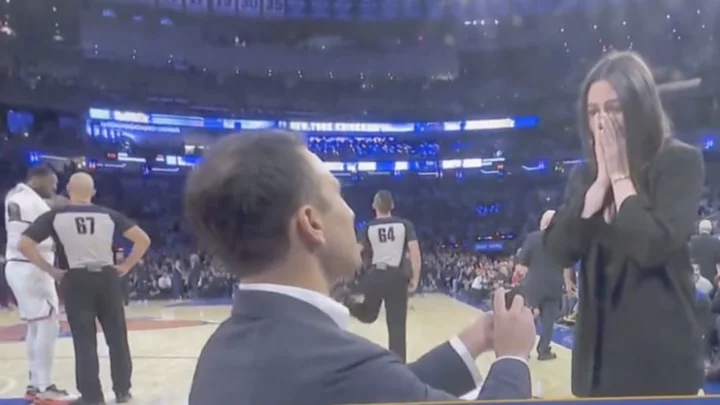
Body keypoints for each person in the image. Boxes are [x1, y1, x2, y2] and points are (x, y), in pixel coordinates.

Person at [186, 131, 536, 405]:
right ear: (312, 223)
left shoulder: (221, 349)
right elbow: (367, 380)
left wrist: (471, 342)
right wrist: (513, 358)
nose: (353, 213)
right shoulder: (339, 365)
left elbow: (386, 390)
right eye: (339, 195)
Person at [543, 51, 706, 397]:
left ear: (640, 108)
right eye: (593, 112)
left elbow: (653, 247)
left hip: (660, 366)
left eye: (613, 108)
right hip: (597, 368)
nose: (602, 121)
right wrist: (599, 185)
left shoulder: (679, 162)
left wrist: (619, 178)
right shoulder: (584, 175)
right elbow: (559, 249)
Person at [18, 172, 151, 405]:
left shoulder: (55, 216)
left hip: (76, 279)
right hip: (107, 278)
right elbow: (143, 240)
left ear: (68, 190)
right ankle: (122, 391)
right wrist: (127, 265)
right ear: (94, 192)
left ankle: (92, 396)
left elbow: (24, 244)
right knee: (117, 337)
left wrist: (50, 270)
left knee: (85, 340)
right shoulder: (109, 215)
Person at [3, 166, 71, 402]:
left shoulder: (18, 197)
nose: (54, 188)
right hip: (31, 267)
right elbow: (24, 242)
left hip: (22, 266)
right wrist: (50, 270)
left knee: (36, 327)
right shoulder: (27, 201)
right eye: (51, 183)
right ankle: (44, 387)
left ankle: (35, 384)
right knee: (47, 326)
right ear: (37, 180)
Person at [345, 190, 420, 362]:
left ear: (374, 206)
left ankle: (346, 301)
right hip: (397, 278)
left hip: (375, 275)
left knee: (369, 315)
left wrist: (351, 276)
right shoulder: (405, 225)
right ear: (392, 206)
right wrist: (415, 278)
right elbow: (415, 253)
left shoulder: (368, 227)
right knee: (397, 330)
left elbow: (356, 253)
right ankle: (398, 371)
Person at [515, 210, 571, 361]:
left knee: (528, 319)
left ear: (543, 222)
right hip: (554, 285)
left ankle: (523, 350)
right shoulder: (562, 241)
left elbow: (522, 263)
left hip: (534, 285)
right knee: (548, 322)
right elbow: (567, 263)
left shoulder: (533, 238)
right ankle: (543, 351)